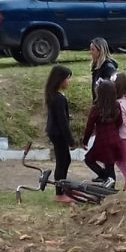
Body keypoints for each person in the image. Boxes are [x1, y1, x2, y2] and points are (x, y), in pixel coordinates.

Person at [45, 65, 77, 204]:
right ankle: (59, 193)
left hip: (55, 132)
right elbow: (62, 122)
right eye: (67, 79)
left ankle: (62, 189)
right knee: (62, 161)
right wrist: (70, 140)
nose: (68, 82)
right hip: (58, 133)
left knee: (64, 160)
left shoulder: (54, 95)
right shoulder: (58, 98)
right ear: (60, 80)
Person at [82, 80, 123, 189]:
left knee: (89, 159)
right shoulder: (116, 105)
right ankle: (109, 183)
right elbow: (120, 121)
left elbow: (89, 126)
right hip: (114, 138)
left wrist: (85, 141)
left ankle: (107, 181)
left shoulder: (96, 108)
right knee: (110, 165)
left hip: (102, 141)